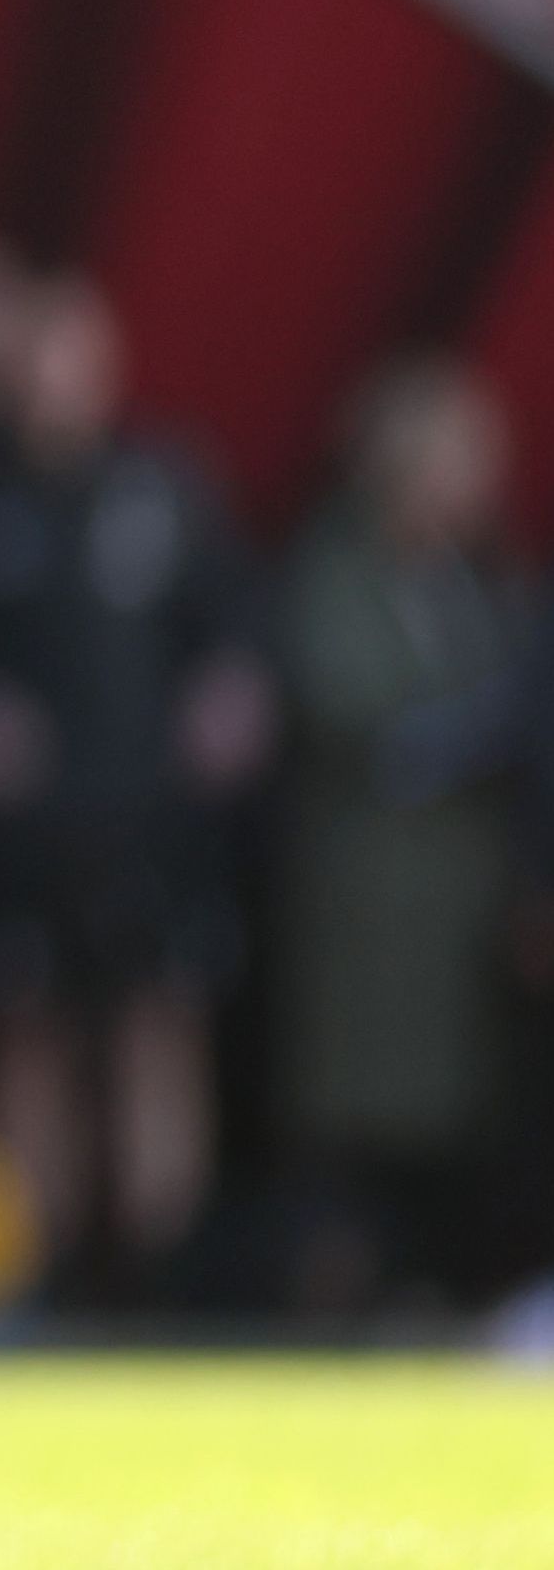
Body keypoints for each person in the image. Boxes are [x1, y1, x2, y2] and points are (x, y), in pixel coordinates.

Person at [0, 269, 264, 1309]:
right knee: (30, 1035)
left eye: (79, 357)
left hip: (152, 809)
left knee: (159, 1025)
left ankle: (163, 1264)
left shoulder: (163, 483)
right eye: (41, 359)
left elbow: (233, 622)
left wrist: (231, 696)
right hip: (27, 824)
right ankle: (40, 1268)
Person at [272, 361, 534, 1310]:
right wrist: (476, 726)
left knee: (467, 1122)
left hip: (465, 904)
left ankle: (452, 1293)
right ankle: (347, 1301)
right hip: (370, 907)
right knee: (360, 1128)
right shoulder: (335, 570)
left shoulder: (489, 583)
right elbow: (342, 703)